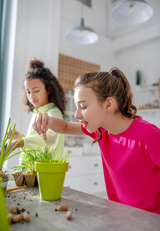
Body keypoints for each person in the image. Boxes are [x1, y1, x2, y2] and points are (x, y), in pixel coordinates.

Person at [32, 67, 160, 215]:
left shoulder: (150, 136)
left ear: (108, 104)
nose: (76, 114)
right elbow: (65, 126)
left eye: (83, 106)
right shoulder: (102, 131)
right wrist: (46, 120)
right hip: (120, 217)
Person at [6, 58, 66, 154]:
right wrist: (21, 137)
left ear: (49, 89)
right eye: (28, 92)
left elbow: (49, 141)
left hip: (45, 169)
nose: (31, 96)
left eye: (36, 91)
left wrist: (18, 143)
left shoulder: (53, 112)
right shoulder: (37, 112)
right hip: (33, 168)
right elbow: (39, 143)